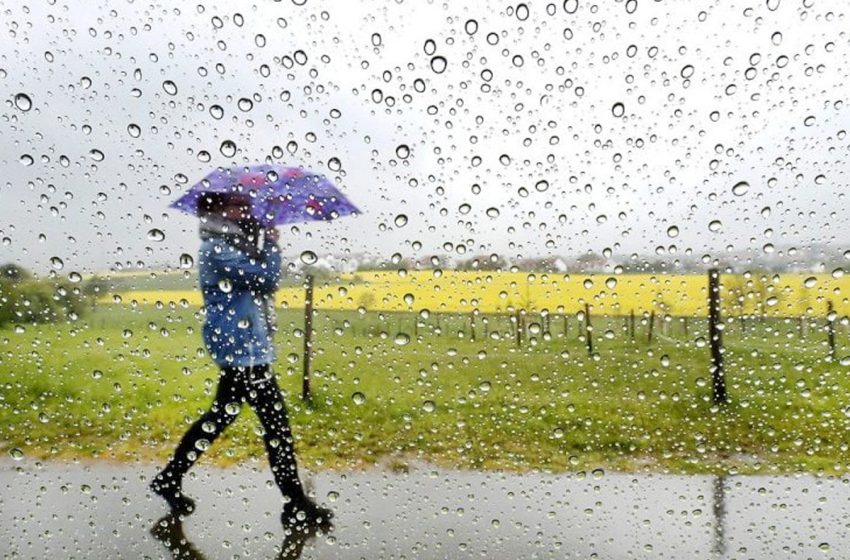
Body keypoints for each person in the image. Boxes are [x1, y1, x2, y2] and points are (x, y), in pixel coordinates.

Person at [150, 192, 332, 530]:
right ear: (220, 212)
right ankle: (295, 503)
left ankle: (170, 478)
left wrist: (260, 240)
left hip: (245, 346)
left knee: (220, 416)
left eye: (249, 206)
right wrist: (273, 244)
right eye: (240, 206)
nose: (248, 211)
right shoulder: (217, 249)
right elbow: (266, 280)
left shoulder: (231, 244)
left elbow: (257, 283)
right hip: (240, 349)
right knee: (276, 425)